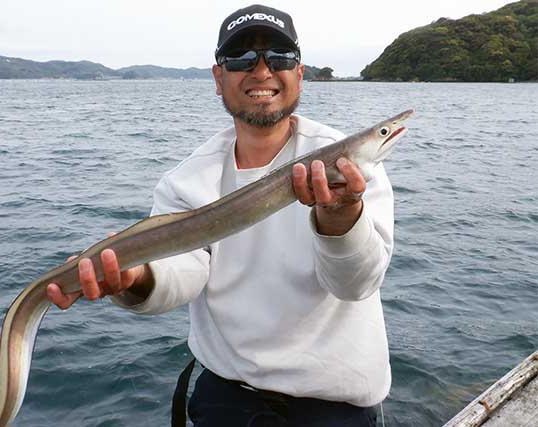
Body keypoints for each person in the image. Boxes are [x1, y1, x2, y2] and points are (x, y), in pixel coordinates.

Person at [47, 4, 393, 426]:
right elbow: (183, 271)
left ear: (300, 74)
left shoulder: (353, 170)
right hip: (226, 400)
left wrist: (341, 216)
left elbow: (356, 284)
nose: (262, 71)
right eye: (241, 59)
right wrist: (135, 277)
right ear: (218, 78)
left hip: (337, 406)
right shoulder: (187, 180)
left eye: (279, 58)